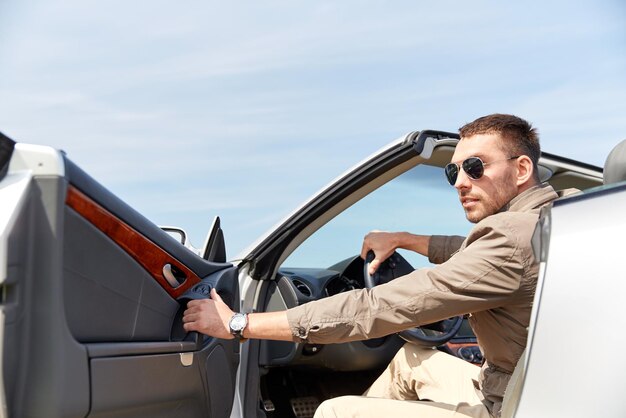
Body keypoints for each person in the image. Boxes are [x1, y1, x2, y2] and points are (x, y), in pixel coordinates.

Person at [183, 114, 563, 417]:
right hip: (531, 390)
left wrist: (239, 324)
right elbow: (470, 252)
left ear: (522, 168)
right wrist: (404, 238)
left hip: (513, 407)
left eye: (475, 167)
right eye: (453, 172)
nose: (460, 182)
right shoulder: (558, 218)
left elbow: (378, 307)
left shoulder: (510, 241)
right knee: (412, 359)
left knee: (335, 411)